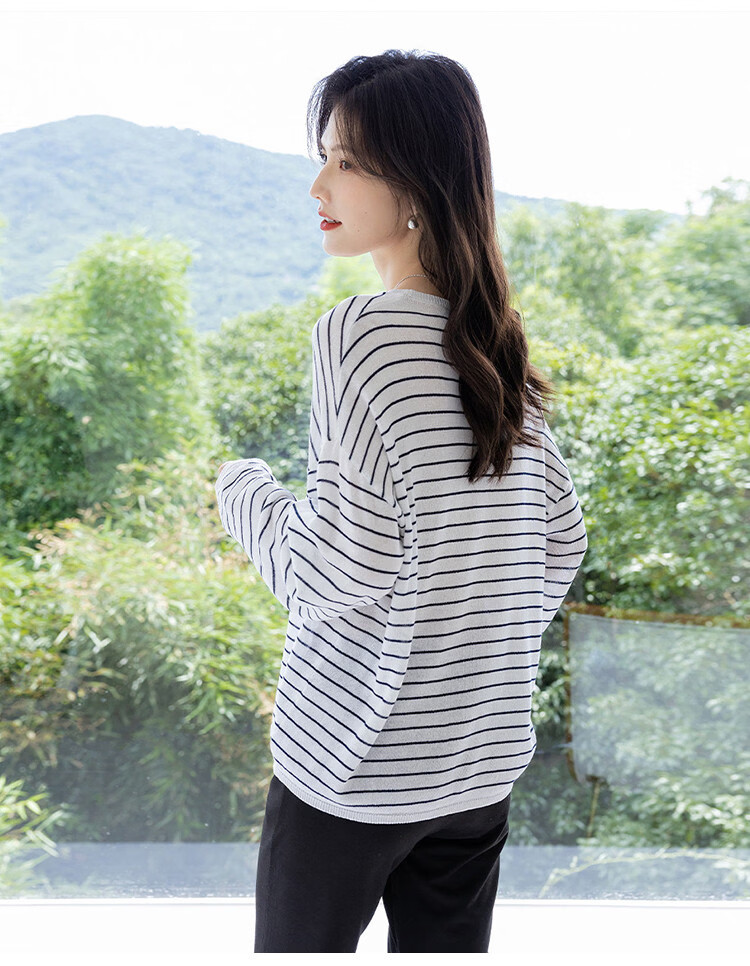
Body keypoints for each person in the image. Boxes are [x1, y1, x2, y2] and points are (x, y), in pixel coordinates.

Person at [215, 48, 587, 953]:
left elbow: (331, 573)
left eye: (346, 161)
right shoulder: (491, 342)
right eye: (324, 156)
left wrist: (240, 488)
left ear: (416, 182)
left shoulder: (360, 336)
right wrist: (465, 650)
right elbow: (560, 541)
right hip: (478, 766)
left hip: (355, 764)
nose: (319, 185)